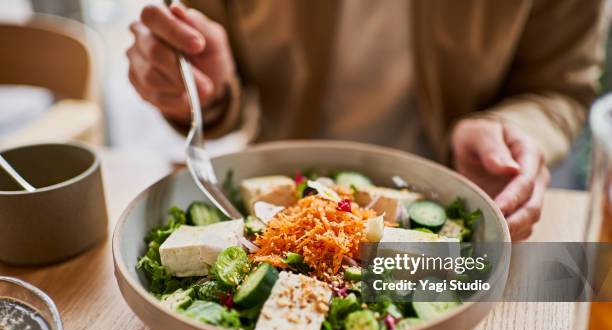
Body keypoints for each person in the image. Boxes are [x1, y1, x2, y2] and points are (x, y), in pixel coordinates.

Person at [127, 0, 606, 240]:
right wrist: (195, 85)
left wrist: (509, 129)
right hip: (274, 190)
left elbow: (559, 86)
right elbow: (202, 49)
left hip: (457, 201)